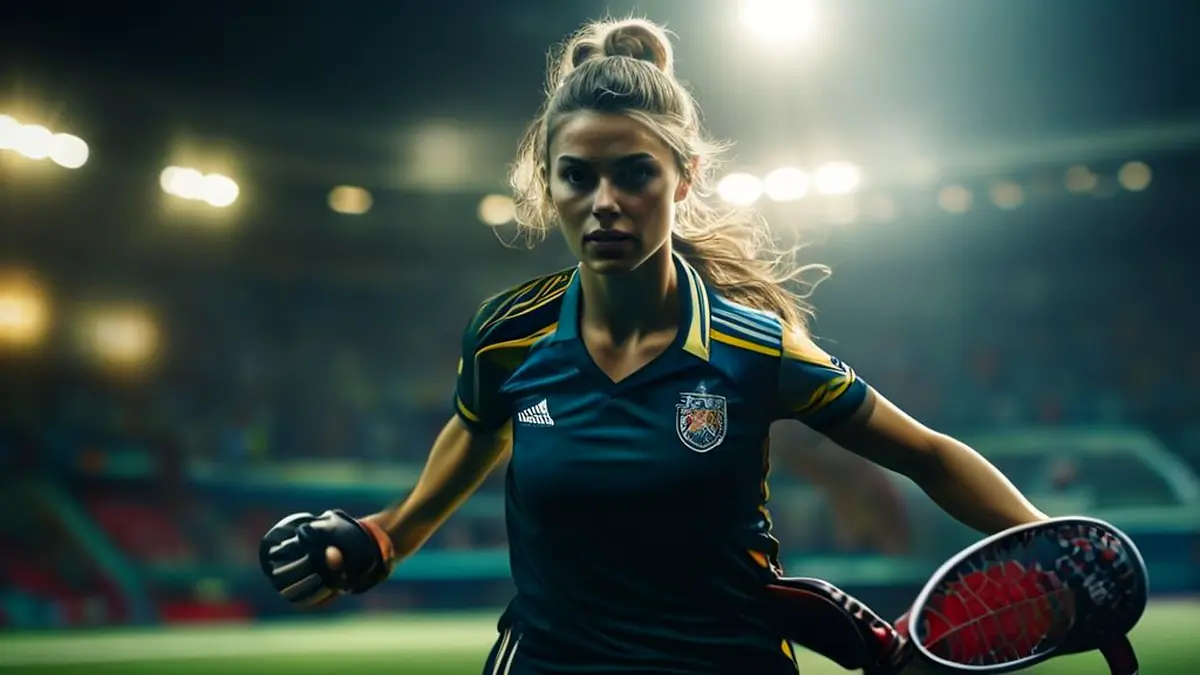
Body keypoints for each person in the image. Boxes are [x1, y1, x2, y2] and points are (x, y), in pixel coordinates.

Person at [260, 17, 1048, 675]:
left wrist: (1053, 550)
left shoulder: (755, 348)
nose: (604, 202)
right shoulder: (505, 336)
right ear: (547, 182)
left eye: (634, 173)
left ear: (685, 177)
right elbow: (474, 432)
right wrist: (382, 537)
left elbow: (930, 455)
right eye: (577, 176)